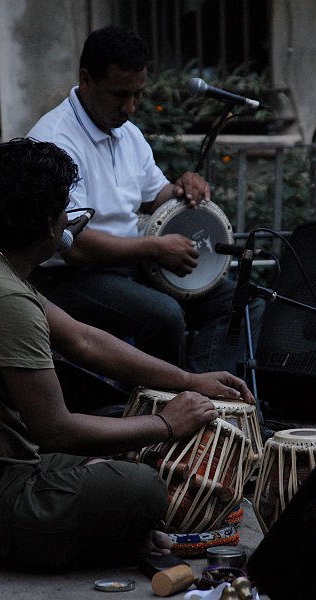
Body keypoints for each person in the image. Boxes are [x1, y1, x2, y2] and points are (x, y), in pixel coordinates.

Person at [0, 138, 254, 571]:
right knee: (141, 489)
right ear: (47, 223)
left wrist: (188, 381)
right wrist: (165, 425)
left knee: (119, 456)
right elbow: (55, 430)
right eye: (65, 209)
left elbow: (83, 340)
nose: (70, 218)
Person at [26, 25, 264, 376]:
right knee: (164, 315)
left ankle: (205, 396)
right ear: (86, 79)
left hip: (130, 267)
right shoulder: (54, 139)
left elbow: (156, 195)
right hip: (71, 277)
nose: (131, 107)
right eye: (120, 94)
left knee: (243, 299)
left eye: (137, 94)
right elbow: (72, 244)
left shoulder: (127, 133)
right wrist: (153, 249)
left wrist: (184, 186)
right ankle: (161, 410)